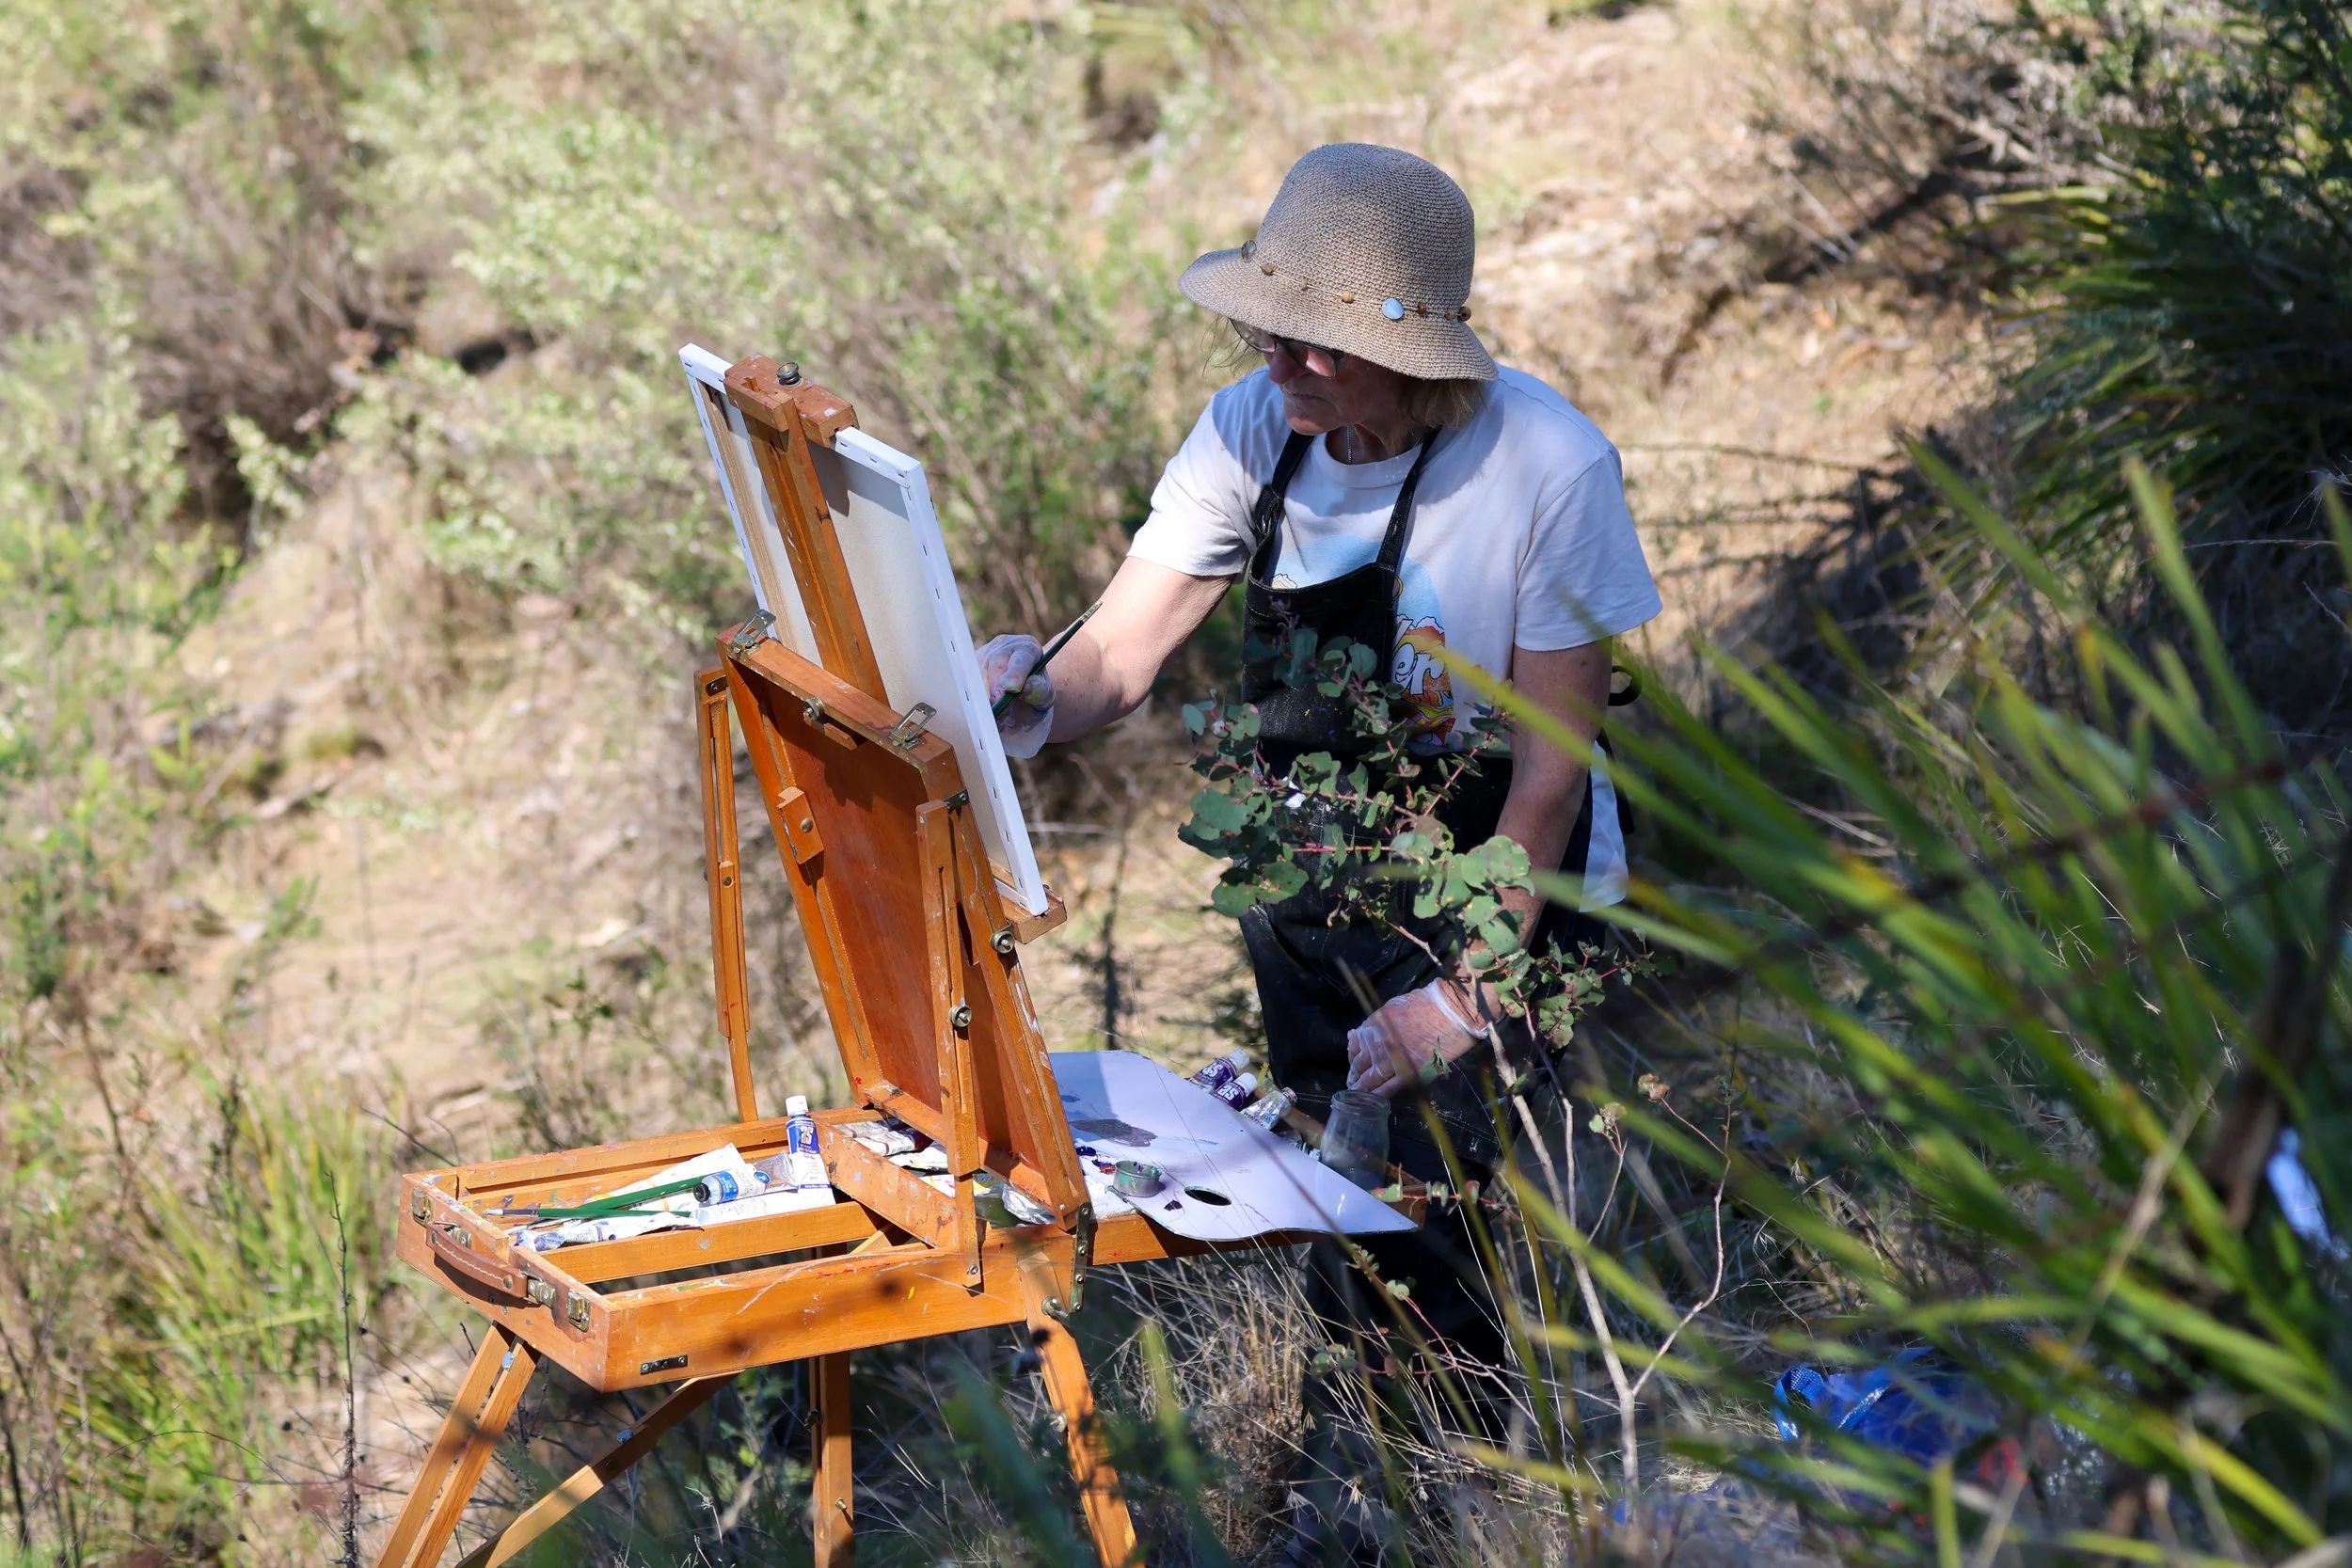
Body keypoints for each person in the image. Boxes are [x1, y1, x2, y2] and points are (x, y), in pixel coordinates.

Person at [977, 143, 1661, 1562]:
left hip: (1500, 892)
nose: (1279, 354)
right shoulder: (1253, 425)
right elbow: (1121, 648)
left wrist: (1464, 998)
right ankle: (1369, 1484)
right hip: (1309, 887)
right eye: (1269, 322)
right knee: (1331, 1205)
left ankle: (1472, 1511)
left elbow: (1548, 774)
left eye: (1320, 338)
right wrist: (1023, 694)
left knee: (1453, 1224)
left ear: (1411, 355)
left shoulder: (1546, 464)